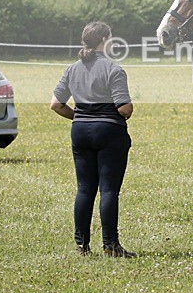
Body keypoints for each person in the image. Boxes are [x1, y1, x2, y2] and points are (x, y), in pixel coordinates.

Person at [50, 21, 136, 257]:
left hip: (80, 132)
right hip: (108, 133)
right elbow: (124, 109)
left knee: (84, 190)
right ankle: (110, 245)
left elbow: (56, 105)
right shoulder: (114, 69)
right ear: (104, 41)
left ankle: (82, 246)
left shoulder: (71, 69)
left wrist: (79, 116)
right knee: (108, 191)